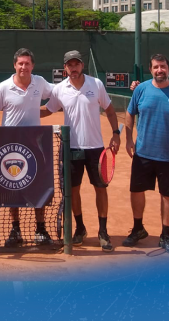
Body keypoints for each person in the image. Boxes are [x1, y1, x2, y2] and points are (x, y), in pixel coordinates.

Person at [42, 50, 120, 251]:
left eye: (76, 64)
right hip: (71, 148)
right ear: (65, 68)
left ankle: (103, 231)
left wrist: (116, 134)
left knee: (100, 188)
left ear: (82, 65)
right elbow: (48, 110)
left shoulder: (96, 84)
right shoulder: (60, 89)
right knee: (73, 190)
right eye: (70, 65)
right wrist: (24, 108)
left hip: (96, 148)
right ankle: (80, 228)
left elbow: (110, 111)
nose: (73, 68)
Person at [123, 54, 169, 255]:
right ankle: (138, 228)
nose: (159, 70)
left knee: (168, 196)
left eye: (163, 66)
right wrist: (128, 139)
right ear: (151, 70)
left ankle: (165, 235)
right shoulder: (141, 89)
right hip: (143, 153)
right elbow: (130, 112)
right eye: (155, 67)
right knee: (136, 191)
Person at [0, 48, 55, 246]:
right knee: (13, 188)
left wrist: (46, 110)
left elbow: (59, 92)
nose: (23, 67)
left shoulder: (40, 82)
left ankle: (40, 229)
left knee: (38, 186)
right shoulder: (4, 87)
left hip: (35, 144)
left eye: (27, 63)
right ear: (14, 65)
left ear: (32, 66)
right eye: (20, 63)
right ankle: (15, 229)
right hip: (11, 146)